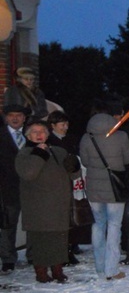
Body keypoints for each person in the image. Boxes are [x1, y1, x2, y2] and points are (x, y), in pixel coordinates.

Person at [15, 120, 80, 283]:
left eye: (42, 131)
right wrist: (40, 154)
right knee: (40, 240)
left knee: (59, 239)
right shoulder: (24, 153)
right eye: (34, 132)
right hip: (37, 206)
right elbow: (29, 173)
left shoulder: (58, 151)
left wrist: (74, 166)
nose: (39, 135)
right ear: (28, 136)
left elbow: (74, 175)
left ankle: (58, 270)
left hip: (58, 204)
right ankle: (41, 272)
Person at [79, 99, 129, 281]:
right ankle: (112, 269)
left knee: (98, 224)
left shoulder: (87, 137)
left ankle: (100, 266)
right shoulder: (121, 136)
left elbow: (85, 162)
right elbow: (127, 159)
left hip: (94, 188)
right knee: (114, 226)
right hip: (114, 188)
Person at [47, 110, 89, 265]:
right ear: (53, 125)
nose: (65, 127)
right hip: (57, 185)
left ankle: (71, 248)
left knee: (72, 218)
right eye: (62, 124)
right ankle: (60, 251)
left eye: (67, 124)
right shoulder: (49, 141)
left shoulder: (71, 140)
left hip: (73, 183)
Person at [0, 104, 31, 274]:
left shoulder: (33, 135)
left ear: (24, 118)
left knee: (33, 222)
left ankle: (34, 256)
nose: (15, 118)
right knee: (8, 225)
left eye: (18, 115)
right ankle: (8, 259)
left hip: (32, 188)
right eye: (11, 115)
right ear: (6, 118)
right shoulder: (1, 136)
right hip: (8, 189)